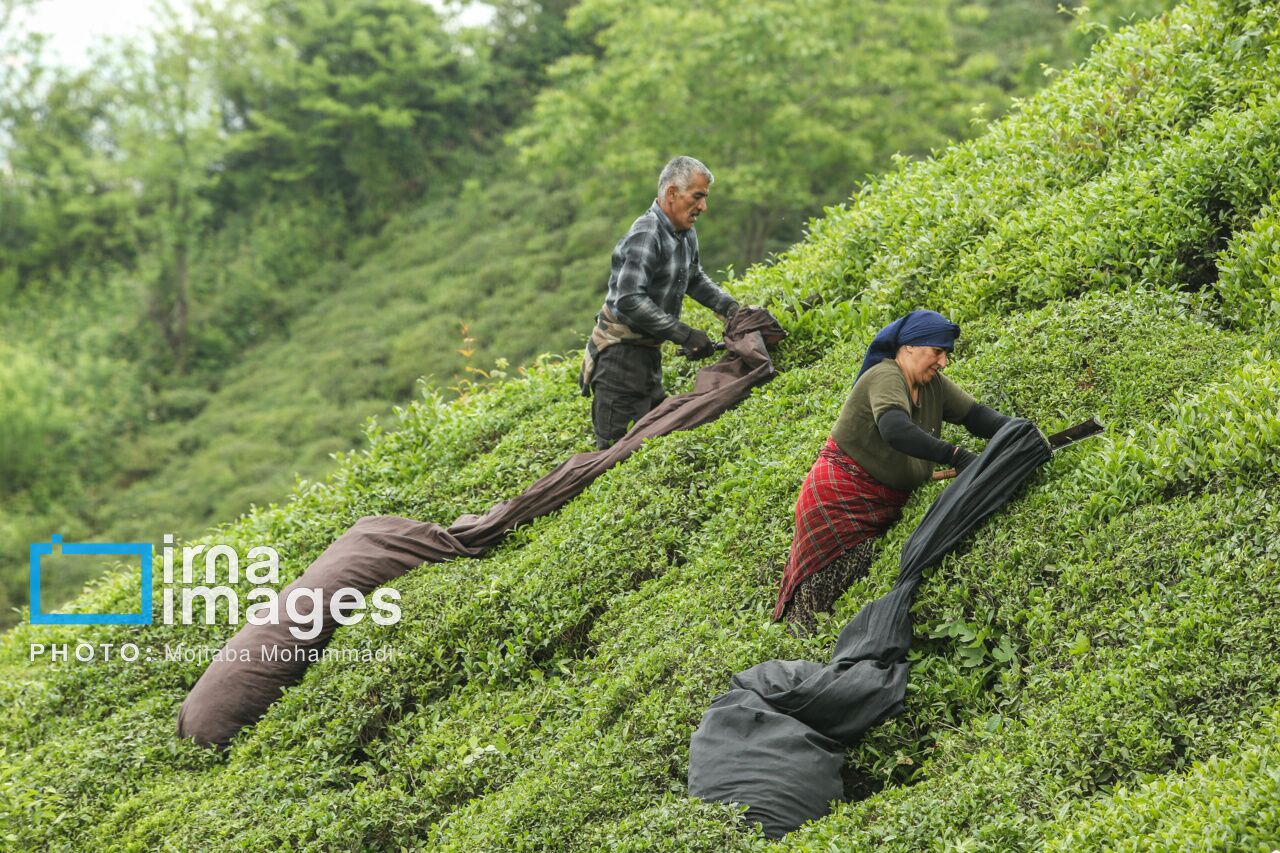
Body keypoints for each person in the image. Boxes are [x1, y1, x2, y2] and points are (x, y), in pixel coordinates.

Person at [772, 309, 1014, 635]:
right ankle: (800, 650)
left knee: (858, 579)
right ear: (910, 347)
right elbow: (895, 428)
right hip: (839, 499)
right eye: (938, 352)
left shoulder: (933, 386)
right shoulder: (886, 376)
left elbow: (976, 416)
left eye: (946, 355)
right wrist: (954, 455)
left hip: (882, 500)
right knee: (828, 588)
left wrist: (1015, 432)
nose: (943, 362)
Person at [579, 155, 740, 449]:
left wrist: (730, 308)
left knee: (649, 443)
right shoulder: (647, 233)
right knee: (615, 452)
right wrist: (685, 335)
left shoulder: (685, 233)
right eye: (698, 197)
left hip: (647, 358)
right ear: (671, 194)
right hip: (619, 359)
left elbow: (693, 279)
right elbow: (629, 299)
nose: (703, 207)